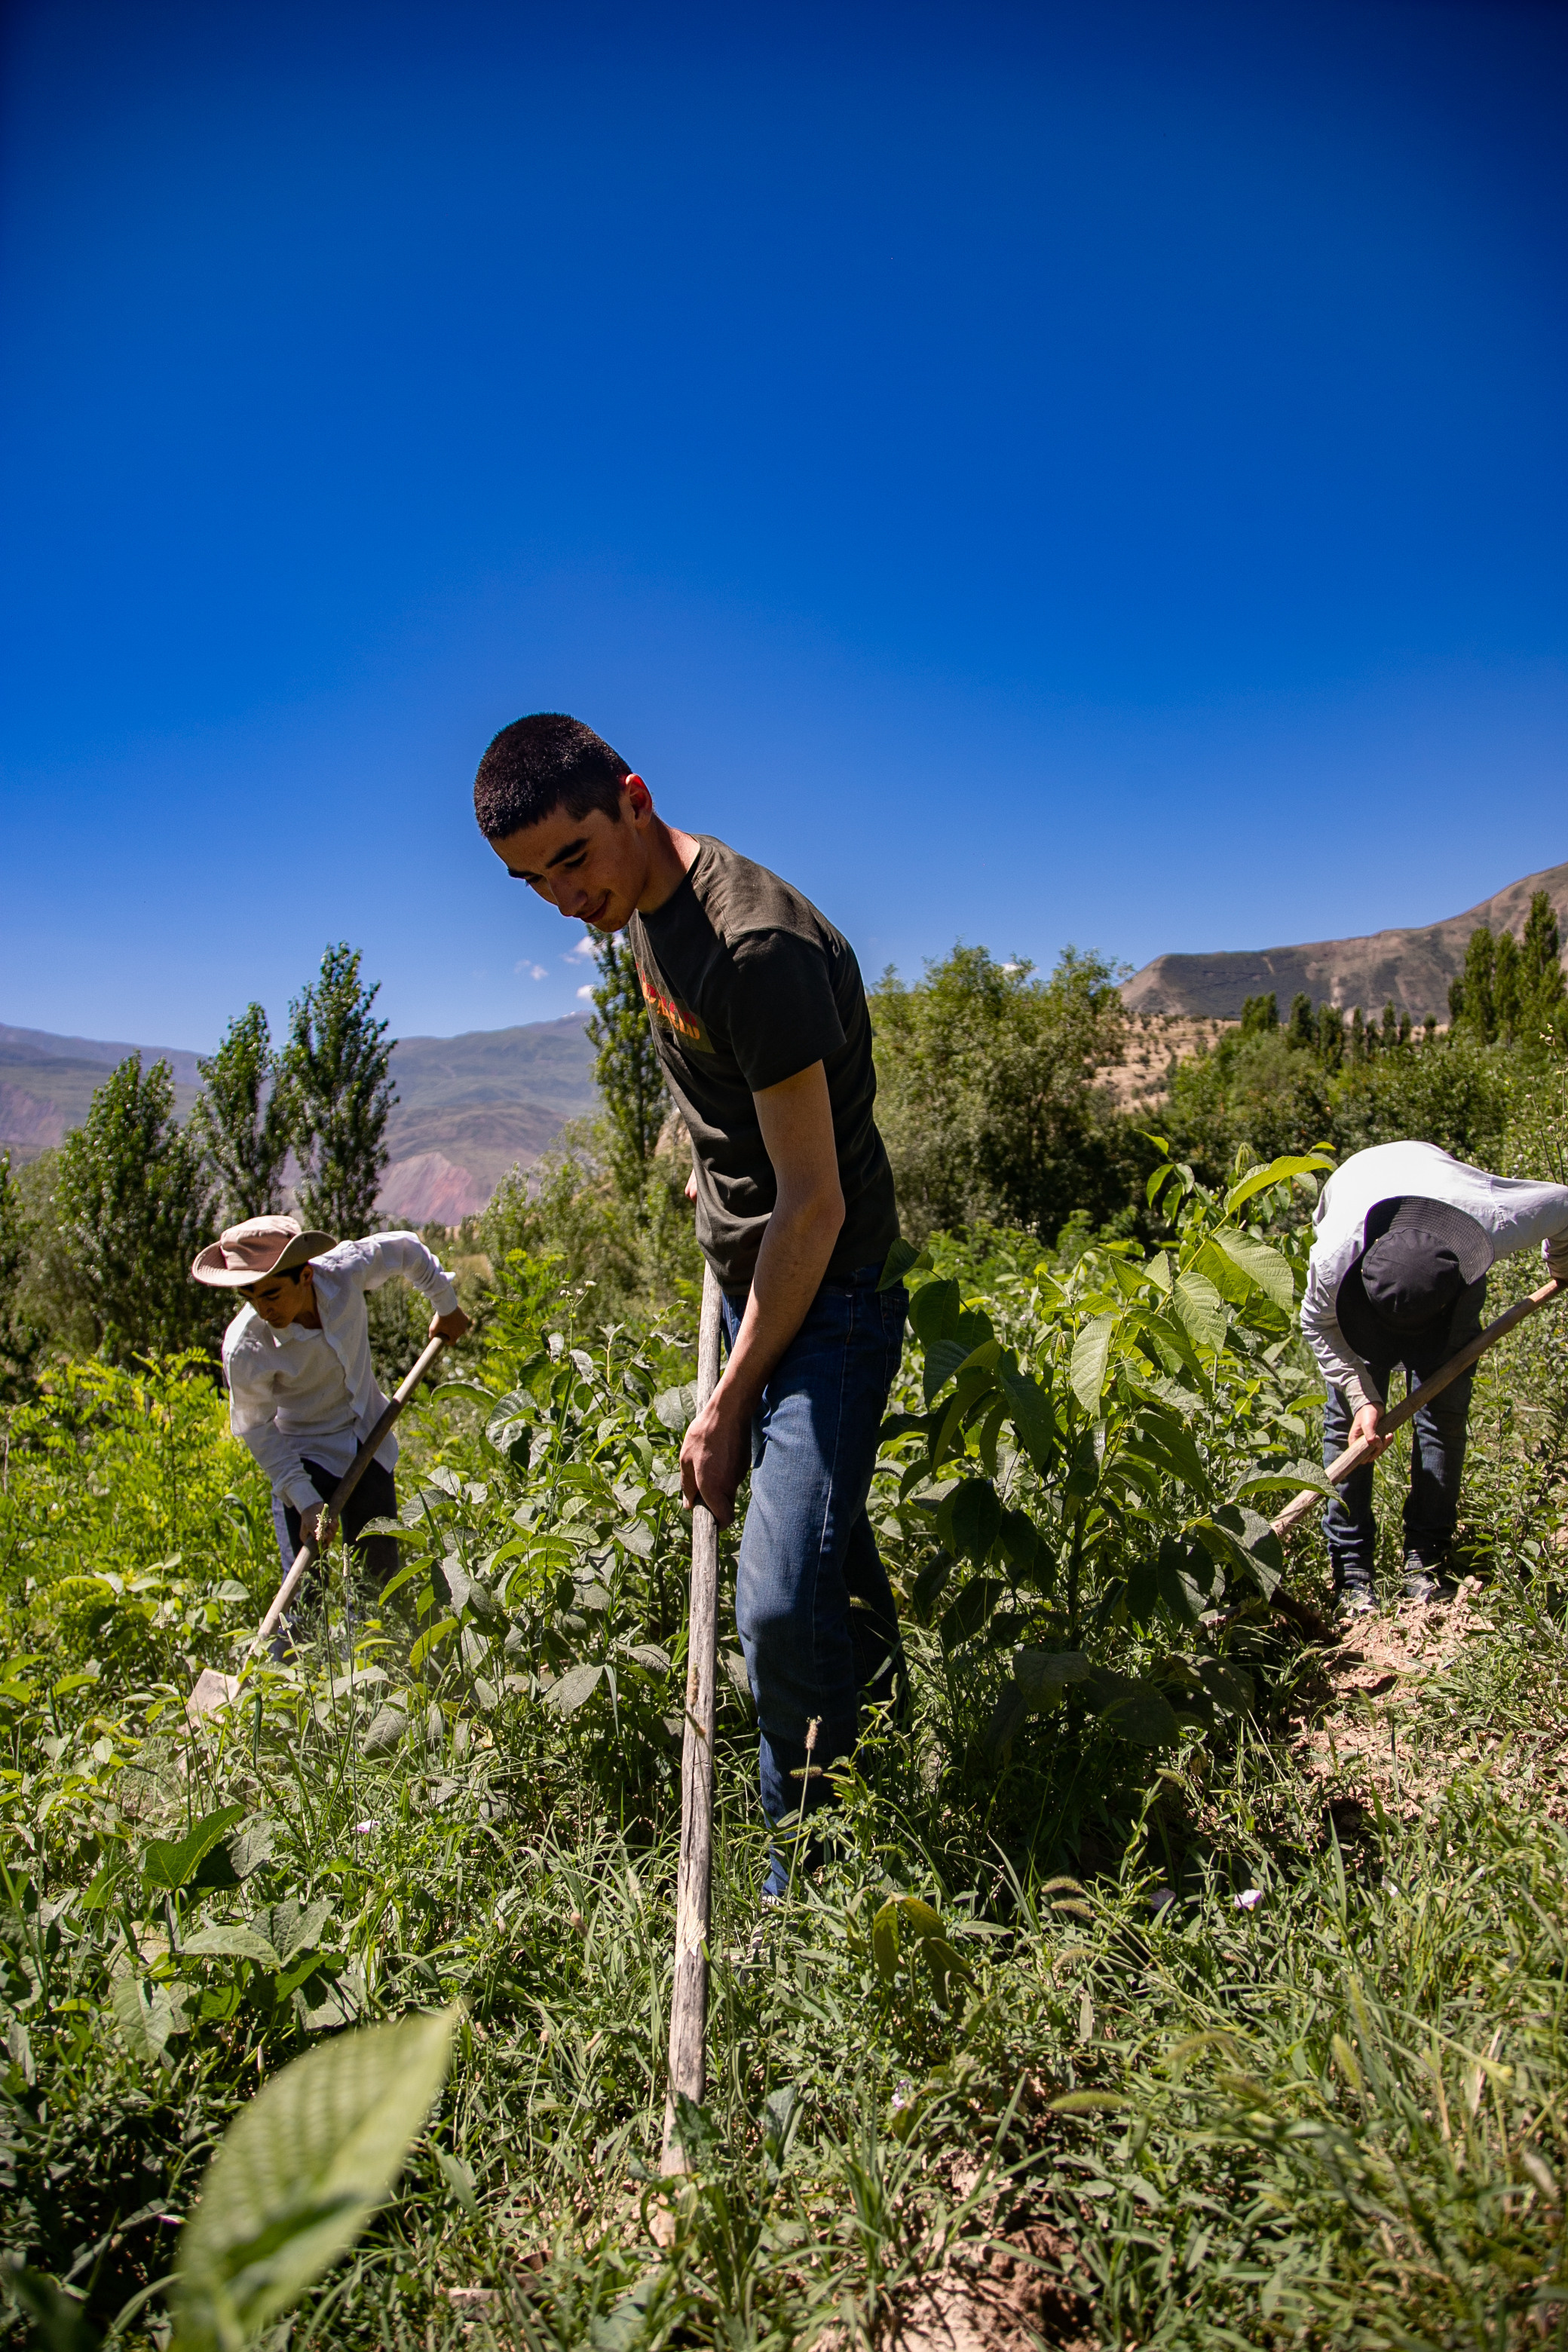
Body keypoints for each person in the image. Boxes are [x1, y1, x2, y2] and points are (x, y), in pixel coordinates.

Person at [473, 711, 905, 1894]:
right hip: (755, 1280)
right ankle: (886, 1731)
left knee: (771, 1608)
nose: (564, 896)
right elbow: (739, 1118)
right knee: (820, 1553)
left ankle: (802, 1882)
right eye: (532, 881)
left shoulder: (750, 947)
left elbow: (812, 1204)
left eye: (573, 856)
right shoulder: (644, 911)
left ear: (635, 796)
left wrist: (724, 1400)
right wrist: (710, 1180)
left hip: (832, 1297)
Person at [1300, 1141, 1568, 1612]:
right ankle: (1351, 1573)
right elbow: (1319, 1325)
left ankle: (1425, 1562)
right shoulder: (1334, 1261)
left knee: (1441, 1413)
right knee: (1348, 1422)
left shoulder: (1496, 1219)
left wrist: (1562, 1268)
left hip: (1448, 1252)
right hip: (1362, 1219)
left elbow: (1566, 1206)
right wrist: (1363, 1396)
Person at [191, 1215, 471, 1621]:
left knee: (380, 1587)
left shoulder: (344, 1272)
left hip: (368, 1439)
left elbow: (407, 1250)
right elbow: (257, 1429)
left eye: (271, 1292)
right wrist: (305, 1502)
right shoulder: (246, 1347)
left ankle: (382, 1674)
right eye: (249, 1296)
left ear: (305, 1276)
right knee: (303, 1602)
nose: (263, 1308)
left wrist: (446, 1306)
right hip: (304, 1460)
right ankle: (296, 1681)